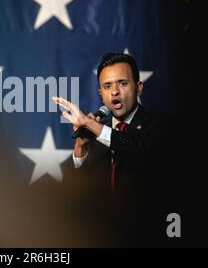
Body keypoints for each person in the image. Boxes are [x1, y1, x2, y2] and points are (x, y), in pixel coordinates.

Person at [53, 53, 174, 246]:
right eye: (107, 86)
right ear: (101, 93)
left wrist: (93, 126)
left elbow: (139, 154)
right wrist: (81, 147)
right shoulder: (97, 130)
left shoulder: (160, 125)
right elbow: (78, 191)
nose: (114, 92)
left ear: (139, 88)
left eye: (123, 83)